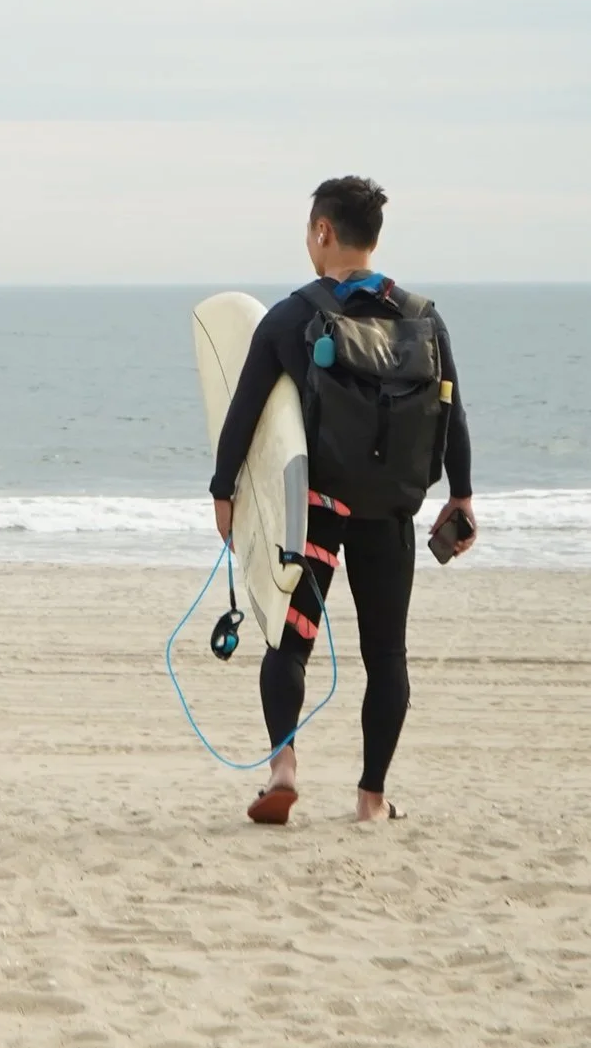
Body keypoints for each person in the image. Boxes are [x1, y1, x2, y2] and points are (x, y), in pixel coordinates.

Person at [210, 177, 474, 826]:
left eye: (309, 231)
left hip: (318, 511)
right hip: (390, 514)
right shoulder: (422, 316)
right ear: (373, 235)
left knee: (289, 642)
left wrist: (224, 494)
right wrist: (460, 496)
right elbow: (453, 416)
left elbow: (243, 417)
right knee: (386, 655)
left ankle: (284, 767)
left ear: (323, 231)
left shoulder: (293, 316)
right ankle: (371, 798)